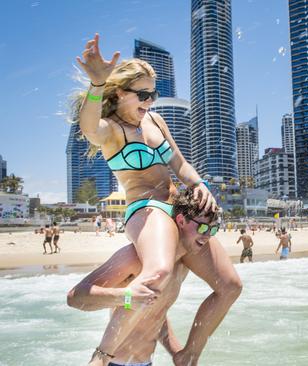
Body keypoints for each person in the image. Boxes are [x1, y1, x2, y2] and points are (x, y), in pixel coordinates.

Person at [73, 34, 223, 364]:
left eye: (153, 94)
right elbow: (88, 128)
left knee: (230, 285)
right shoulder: (111, 129)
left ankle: (187, 356)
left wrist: (201, 186)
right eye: (143, 95)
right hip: (147, 208)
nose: (150, 101)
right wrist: (96, 84)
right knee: (156, 274)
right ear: (120, 93)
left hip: (176, 207)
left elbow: (180, 164)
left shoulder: (154, 119)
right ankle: (103, 355)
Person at [68, 189, 241, 365]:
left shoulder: (182, 264)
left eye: (213, 230)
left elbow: (156, 313)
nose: (207, 236)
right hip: (116, 363)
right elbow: (75, 297)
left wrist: (177, 352)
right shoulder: (135, 257)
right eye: (203, 227)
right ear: (181, 220)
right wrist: (126, 297)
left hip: (147, 362)